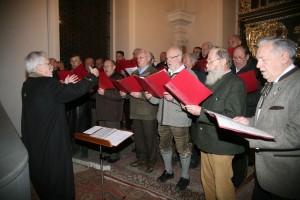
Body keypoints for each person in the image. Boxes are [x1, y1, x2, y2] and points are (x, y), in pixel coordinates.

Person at [21, 51, 99, 200]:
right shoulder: (47, 83)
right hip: (53, 141)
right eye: (48, 64)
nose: (51, 67)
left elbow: (50, 98)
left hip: (37, 140)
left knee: (43, 176)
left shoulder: (28, 84)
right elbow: (76, 91)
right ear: (38, 67)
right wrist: (92, 76)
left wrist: (65, 85)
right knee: (59, 179)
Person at [233, 37, 300, 200]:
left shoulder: (297, 83)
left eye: (263, 59)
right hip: (264, 174)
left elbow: (296, 134)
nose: (257, 65)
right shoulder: (272, 82)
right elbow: (267, 116)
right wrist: (249, 122)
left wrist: (254, 136)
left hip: (285, 177)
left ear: (284, 57)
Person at [183, 47, 247, 199]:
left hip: (222, 143)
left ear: (223, 62)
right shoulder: (211, 80)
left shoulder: (235, 83)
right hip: (206, 140)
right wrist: (187, 104)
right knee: (208, 183)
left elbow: (231, 116)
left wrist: (200, 112)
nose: (206, 65)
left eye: (210, 61)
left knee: (222, 187)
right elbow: (203, 104)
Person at [146, 46, 196, 191]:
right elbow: (159, 98)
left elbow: (193, 100)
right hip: (162, 118)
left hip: (179, 120)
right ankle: (168, 171)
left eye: (171, 58)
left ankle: (185, 176)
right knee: (164, 146)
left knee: (183, 149)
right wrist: (151, 97)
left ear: (180, 58)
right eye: (166, 58)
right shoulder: (165, 74)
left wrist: (174, 98)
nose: (167, 61)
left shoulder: (189, 74)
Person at [231, 44, 266, 187]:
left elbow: (257, 99)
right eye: (234, 57)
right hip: (232, 114)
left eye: (240, 57)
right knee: (231, 147)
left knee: (241, 150)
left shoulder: (255, 73)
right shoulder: (231, 70)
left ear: (247, 57)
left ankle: (239, 178)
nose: (237, 60)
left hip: (246, 116)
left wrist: (239, 95)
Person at [120, 50, 158, 173]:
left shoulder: (153, 72)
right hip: (135, 110)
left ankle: (151, 161)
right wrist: (125, 94)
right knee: (139, 137)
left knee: (150, 137)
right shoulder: (135, 72)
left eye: (141, 57)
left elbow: (154, 91)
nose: (138, 59)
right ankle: (141, 158)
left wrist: (140, 95)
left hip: (148, 110)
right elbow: (131, 89)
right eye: (137, 57)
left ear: (148, 59)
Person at [96, 59, 124, 163]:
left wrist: (105, 93)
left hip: (113, 112)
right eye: (104, 66)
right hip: (102, 111)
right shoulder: (102, 78)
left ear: (114, 67)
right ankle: (109, 153)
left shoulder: (118, 78)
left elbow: (120, 96)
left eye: (108, 66)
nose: (106, 68)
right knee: (105, 135)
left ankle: (115, 155)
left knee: (113, 135)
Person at [67, 54, 91, 157]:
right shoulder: (69, 73)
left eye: (75, 61)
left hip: (82, 104)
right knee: (72, 127)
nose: (73, 63)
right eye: (71, 61)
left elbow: (90, 88)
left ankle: (84, 152)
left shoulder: (85, 73)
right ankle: (75, 148)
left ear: (80, 62)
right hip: (72, 104)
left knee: (83, 128)